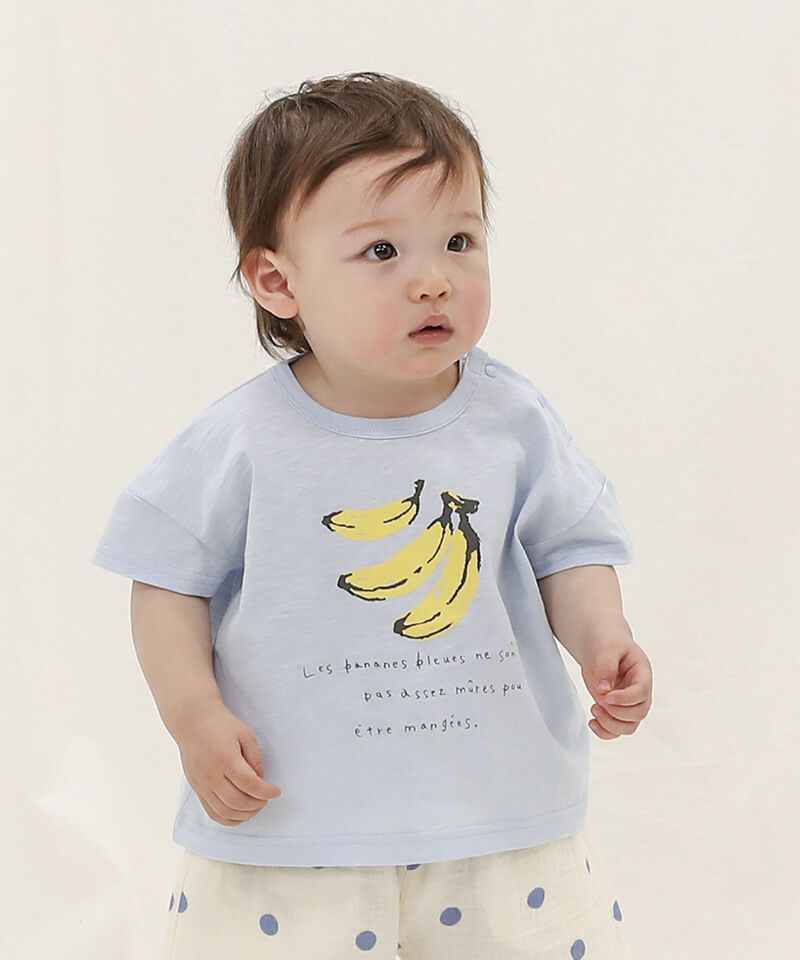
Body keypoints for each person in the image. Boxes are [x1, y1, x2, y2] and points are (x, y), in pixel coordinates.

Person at [91, 70, 652, 960]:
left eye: (459, 240)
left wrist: (602, 639)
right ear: (277, 280)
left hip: (499, 814)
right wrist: (193, 714)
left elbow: (570, 547)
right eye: (382, 251)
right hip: (292, 825)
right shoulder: (243, 438)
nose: (434, 281)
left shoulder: (514, 420)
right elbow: (165, 580)